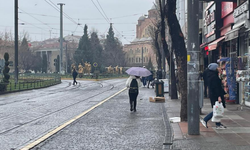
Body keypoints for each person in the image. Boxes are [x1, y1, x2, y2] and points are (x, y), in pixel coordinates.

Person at [200, 63, 227, 129]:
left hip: (213, 95)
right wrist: (219, 96)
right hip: (216, 95)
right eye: (218, 67)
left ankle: (218, 124)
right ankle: (205, 119)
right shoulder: (214, 77)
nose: (219, 68)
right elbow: (216, 88)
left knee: (217, 108)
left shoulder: (211, 75)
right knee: (217, 109)